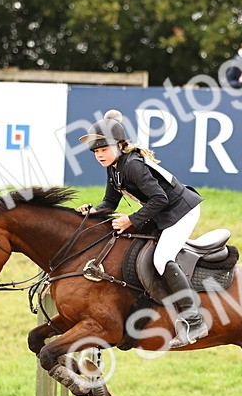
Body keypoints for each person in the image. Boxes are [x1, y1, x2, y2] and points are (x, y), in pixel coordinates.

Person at [78, 110, 208, 347]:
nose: (99, 155)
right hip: (161, 211)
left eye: (104, 149)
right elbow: (109, 203)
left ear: (119, 145)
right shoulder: (114, 168)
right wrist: (93, 212)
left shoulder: (133, 166)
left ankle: (194, 317)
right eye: (96, 152)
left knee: (161, 258)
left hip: (181, 211)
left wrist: (131, 220)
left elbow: (160, 199)